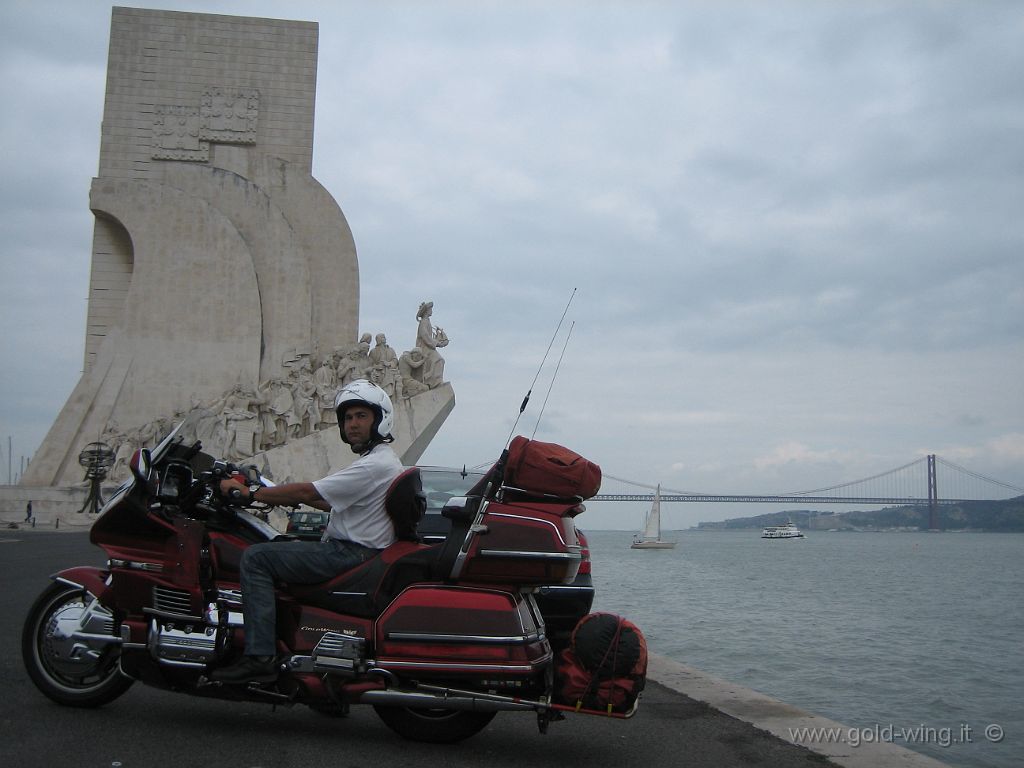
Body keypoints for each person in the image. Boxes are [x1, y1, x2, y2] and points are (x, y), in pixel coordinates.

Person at [212, 379, 403, 684]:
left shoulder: (374, 465)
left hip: (349, 554)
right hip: (361, 553)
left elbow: (305, 491)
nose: (352, 424)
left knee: (256, 558)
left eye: (361, 416)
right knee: (280, 544)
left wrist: (248, 493)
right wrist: (268, 489)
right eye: (347, 418)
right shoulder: (381, 462)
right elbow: (323, 499)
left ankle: (259, 656)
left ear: (380, 420)